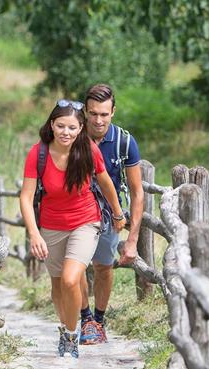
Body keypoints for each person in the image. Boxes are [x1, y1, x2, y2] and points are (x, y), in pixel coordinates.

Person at [19, 99, 127, 358]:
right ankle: (66, 330)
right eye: (60, 126)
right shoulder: (39, 153)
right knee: (58, 286)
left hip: (85, 221)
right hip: (51, 225)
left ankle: (71, 335)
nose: (65, 132)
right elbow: (25, 196)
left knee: (70, 278)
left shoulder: (88, 149)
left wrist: (117, 212)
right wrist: (34, 233)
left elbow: (105, 183)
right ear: (52, 125)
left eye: (72, 127)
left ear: (81, 128)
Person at [78, 83, 145, 345]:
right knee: (77, 268)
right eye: (93, 113)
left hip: (109, 217)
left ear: (113, 112)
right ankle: (85, 321)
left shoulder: (125, 142)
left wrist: (132, 240)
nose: (98, 120)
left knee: (103, 268)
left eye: (104, 114)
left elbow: (138, 193)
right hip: (76, 214)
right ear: (85, 111)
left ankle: (99, 320)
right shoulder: (73, 135)